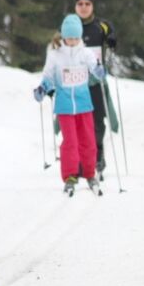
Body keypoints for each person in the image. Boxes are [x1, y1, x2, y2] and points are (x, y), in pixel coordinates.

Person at [34, 14, 105, 196]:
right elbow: (49, 77)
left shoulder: (85, 52)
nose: (72, 41)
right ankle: (70, 176)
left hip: (84, 105)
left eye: (75, 37)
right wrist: (43, 88)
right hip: (65, 107)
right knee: (70, 142)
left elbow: (95, 67)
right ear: (64, 37)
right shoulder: (55, 55)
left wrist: (98, 70)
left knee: (88, 141)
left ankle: (90, 174)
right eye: (69, 37)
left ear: (80, 36)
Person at [72, 0, 117, 178]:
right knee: (79, 123)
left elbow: (112, 33)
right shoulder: (70, 26)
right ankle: (81, 160)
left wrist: (113, 40)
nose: (83, 8)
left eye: (87, 4)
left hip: (96, 82)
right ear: (75, 6)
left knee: (97, 121)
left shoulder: (101, 25)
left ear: (93, 6)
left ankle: (98, 157)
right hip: (75, 82)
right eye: (80, 4)